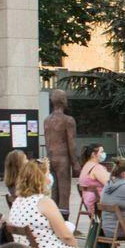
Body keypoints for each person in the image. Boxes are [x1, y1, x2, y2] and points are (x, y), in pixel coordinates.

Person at [43, 89, 77, 219]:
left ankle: (53, 217)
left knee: (54, 190)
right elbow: (71, 143)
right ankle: (64, 220)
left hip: (51, 158)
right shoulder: (68, 120)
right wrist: (75, 163)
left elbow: (47, 142)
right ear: (64, 101)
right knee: (64, 190)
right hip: (63, 159)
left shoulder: (47, 120)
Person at [76, 143, 109, 221]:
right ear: (93, 154)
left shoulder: (86, 166)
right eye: (101, 152)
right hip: (100, 203)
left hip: (90, 202)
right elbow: (111, 184)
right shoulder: (96, 168)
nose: (104, 154)